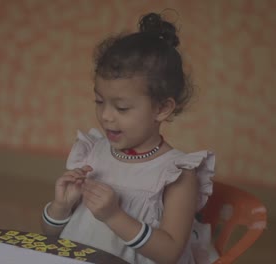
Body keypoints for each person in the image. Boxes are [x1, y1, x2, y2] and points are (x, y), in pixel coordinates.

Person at [41, 11, 215, 264]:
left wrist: (113, 216)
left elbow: (169, 253)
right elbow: (51, 235)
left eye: (121, 108)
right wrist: (61, 207)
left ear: (162, 109)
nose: (106, 117)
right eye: (99, 102)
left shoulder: (176, 174)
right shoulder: (93, 153)